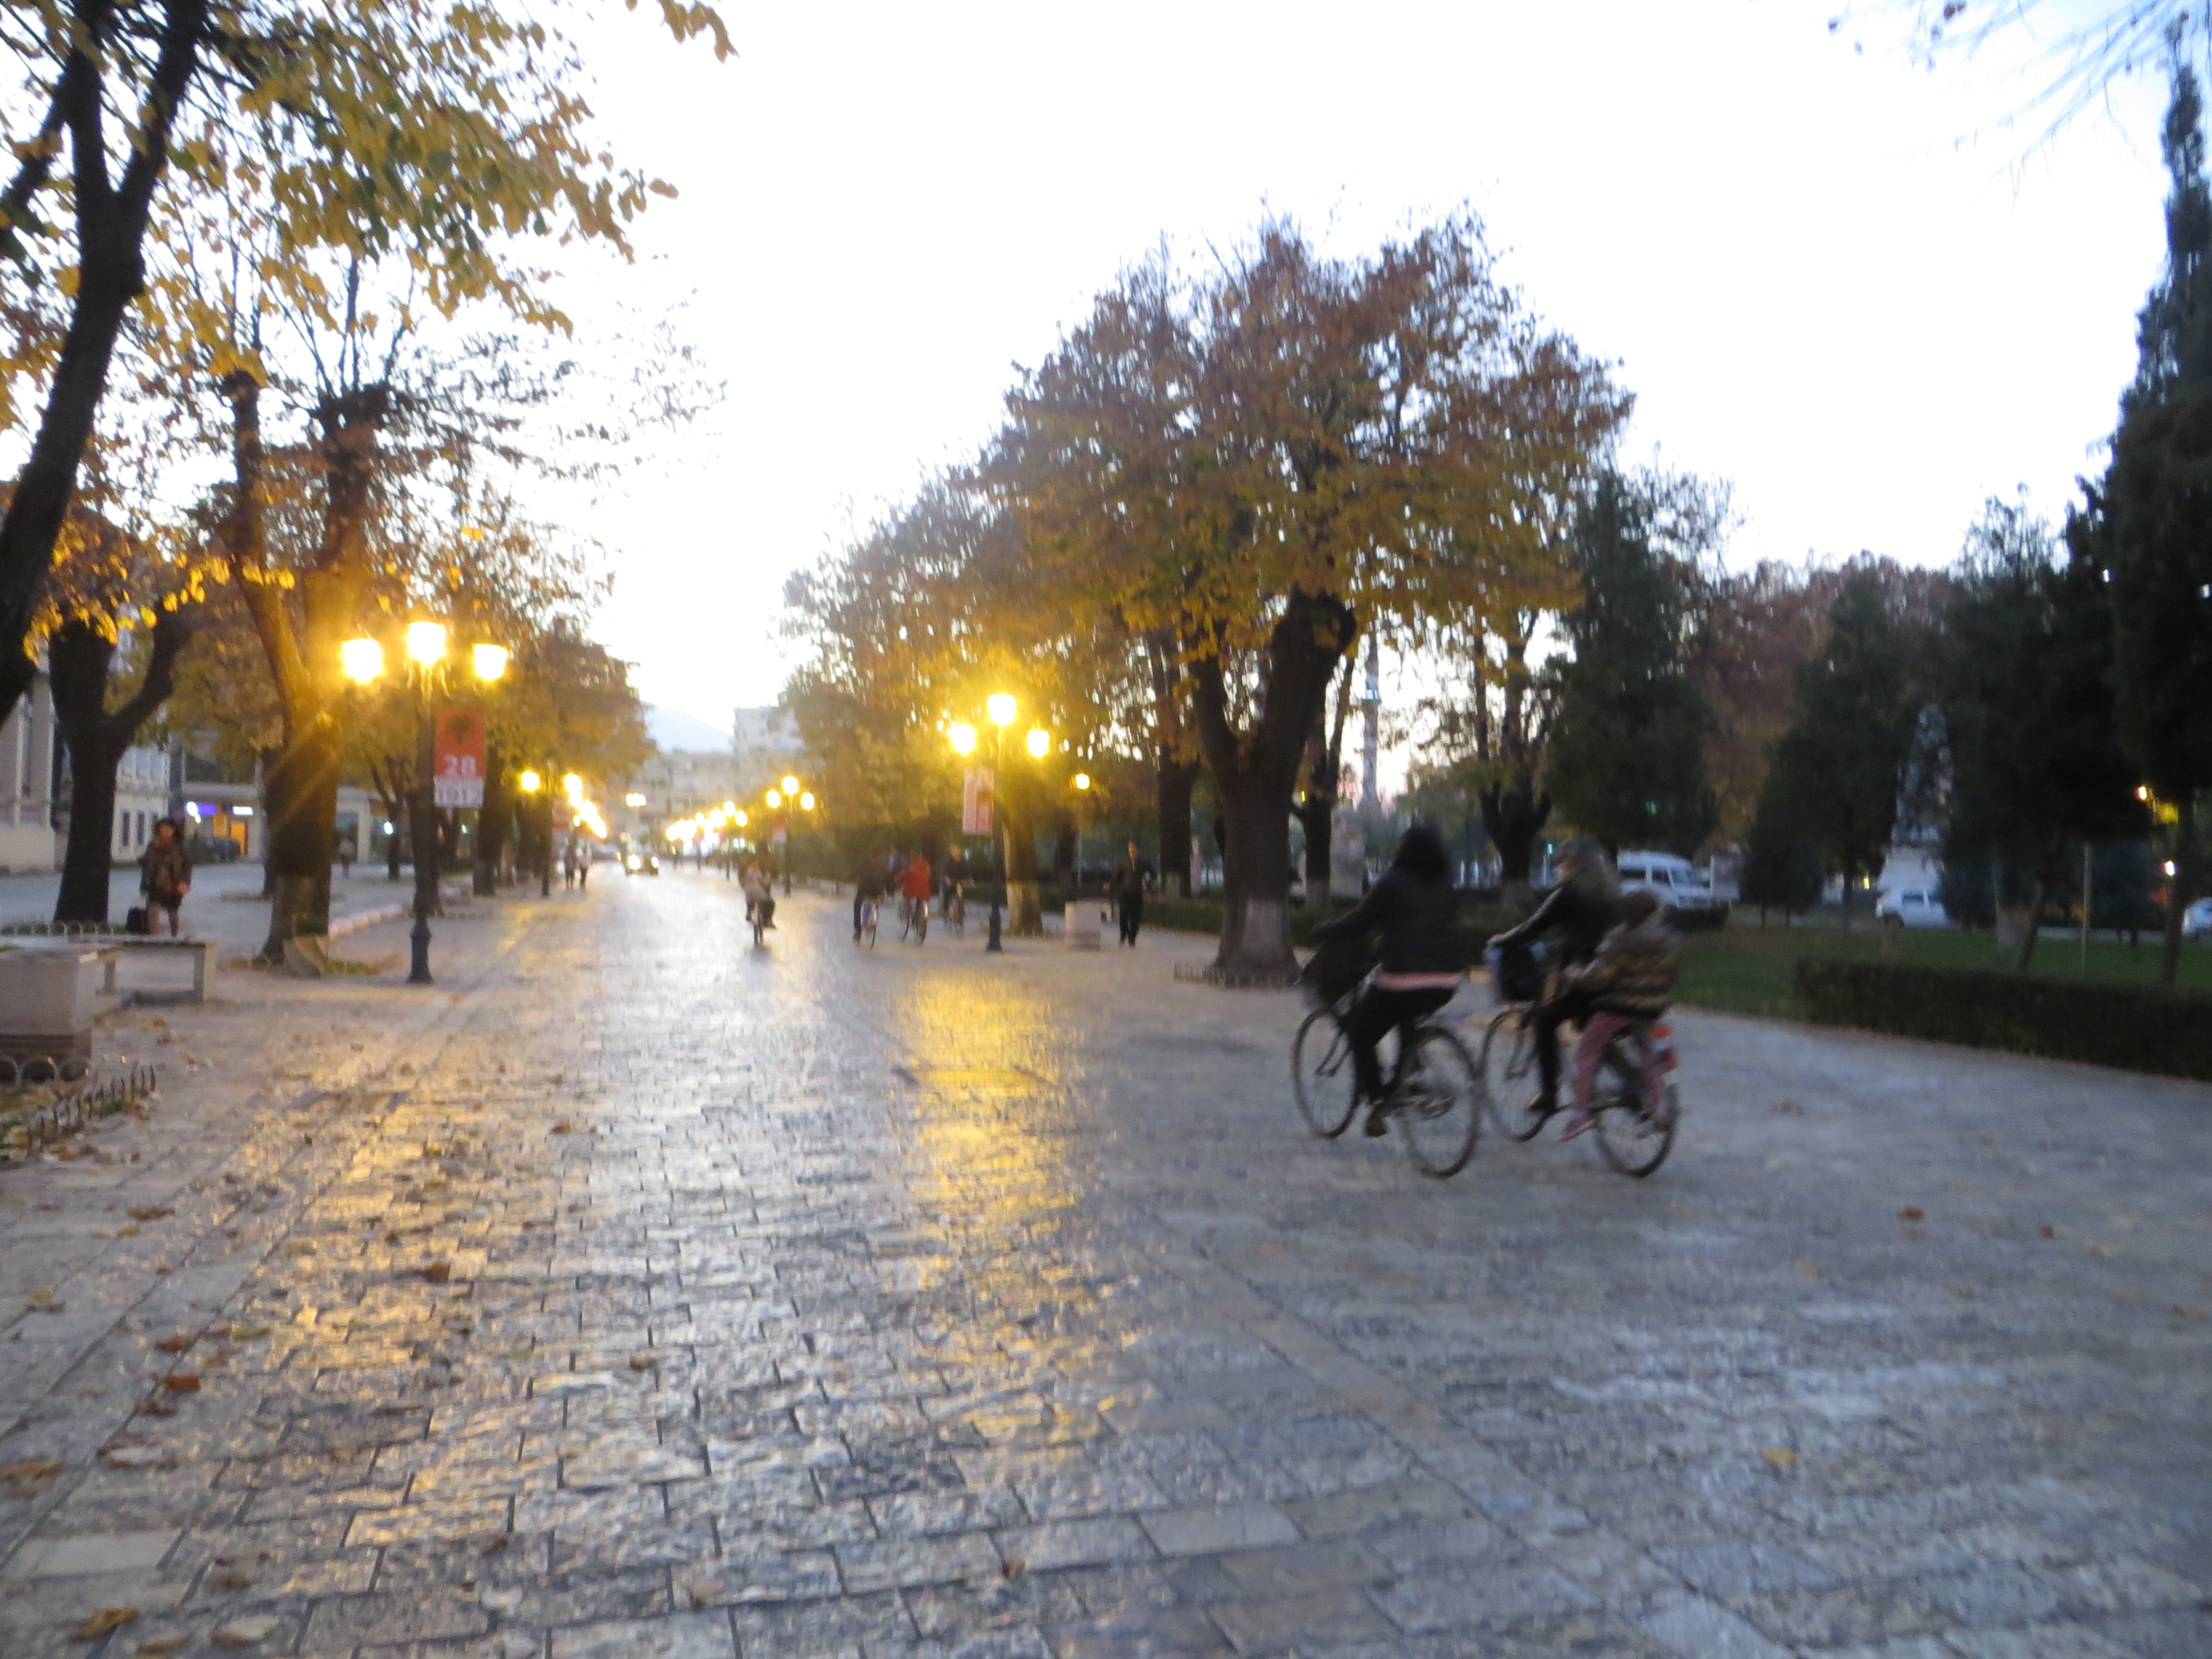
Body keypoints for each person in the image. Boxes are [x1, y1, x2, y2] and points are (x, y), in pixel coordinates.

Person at [1313, 823, 1461, 1138]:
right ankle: (1405, 1079)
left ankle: (1380, 1099)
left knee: (1360, 1032)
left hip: (1403, 978)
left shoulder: (1392, 883)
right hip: (1446, 980)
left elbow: (1360, 921)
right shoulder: (1447, 884)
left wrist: (1326, 929)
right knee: (1407, 1018)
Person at [1486, 838, 1623, 1125]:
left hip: (1584, 979)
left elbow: (1533, 927)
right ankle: (1632, 1081)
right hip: (1614, 977)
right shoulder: (1612, 893)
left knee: (1545, 1022)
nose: (1559, 868)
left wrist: (1500, 941)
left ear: (1571, 866)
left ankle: (1549, 1096)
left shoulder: (1568, 894)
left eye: (1561, 863)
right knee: (1592, 1028)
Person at [1557, 889, 1679, 1139]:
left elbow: (1600, 977)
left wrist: (1574, 974)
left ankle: (1581, 1114)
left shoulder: (1620, 940)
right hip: (1652, 1007)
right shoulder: (1668, 939)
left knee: (1588, 1051)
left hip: (1619, 1007)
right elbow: (1671, 974)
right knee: (1647, 1052)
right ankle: (1660, 1108)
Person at [139, 817, 193, 937]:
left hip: (174, 883)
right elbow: (146, 865)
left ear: (173, 830)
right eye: (162, 829)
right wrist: (143, 884)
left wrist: (185, 882)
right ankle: (153, 938)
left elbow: (187, 866)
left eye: (167, 829)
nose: (164, 831)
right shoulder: (153, 846)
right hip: (155, 882)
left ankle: (174, 936)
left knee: (173, 911)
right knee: (153, 907)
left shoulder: (180, 847)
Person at [1109, 841, 1153, 946]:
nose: (1132, 853)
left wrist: (1146, 880)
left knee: (1136, 918)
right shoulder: (1123, 863)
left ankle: (1132, 938)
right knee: (1123, 915)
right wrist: (1111, 885)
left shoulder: (1144, 863)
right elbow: (1117, 877)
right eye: (1130, 851)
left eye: (1134, 851)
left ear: (1138, 851)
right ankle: (1123, 933)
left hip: (1138, 893)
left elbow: (1154, 874)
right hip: (1125, 893)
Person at [851, 855, 891, 940]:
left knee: (857, 904)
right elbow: (888, 878)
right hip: (877, 890)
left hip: (864, 889)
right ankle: (875, 916)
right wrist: (890, 890)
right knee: (876, 901)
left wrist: (850, 876)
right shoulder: (883, 865)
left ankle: (858, 930)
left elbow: (856, 872)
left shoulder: (865, 862)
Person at [898, 848, 933, 936]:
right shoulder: (926, 864)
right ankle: (918, 920)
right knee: (920, 901)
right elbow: (929, 875)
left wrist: (898, 880)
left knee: (907, 898)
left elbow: (904, 875)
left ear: (912, 856)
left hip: (912, 890)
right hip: (925, 891)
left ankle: (907, 914)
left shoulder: (911, 865)